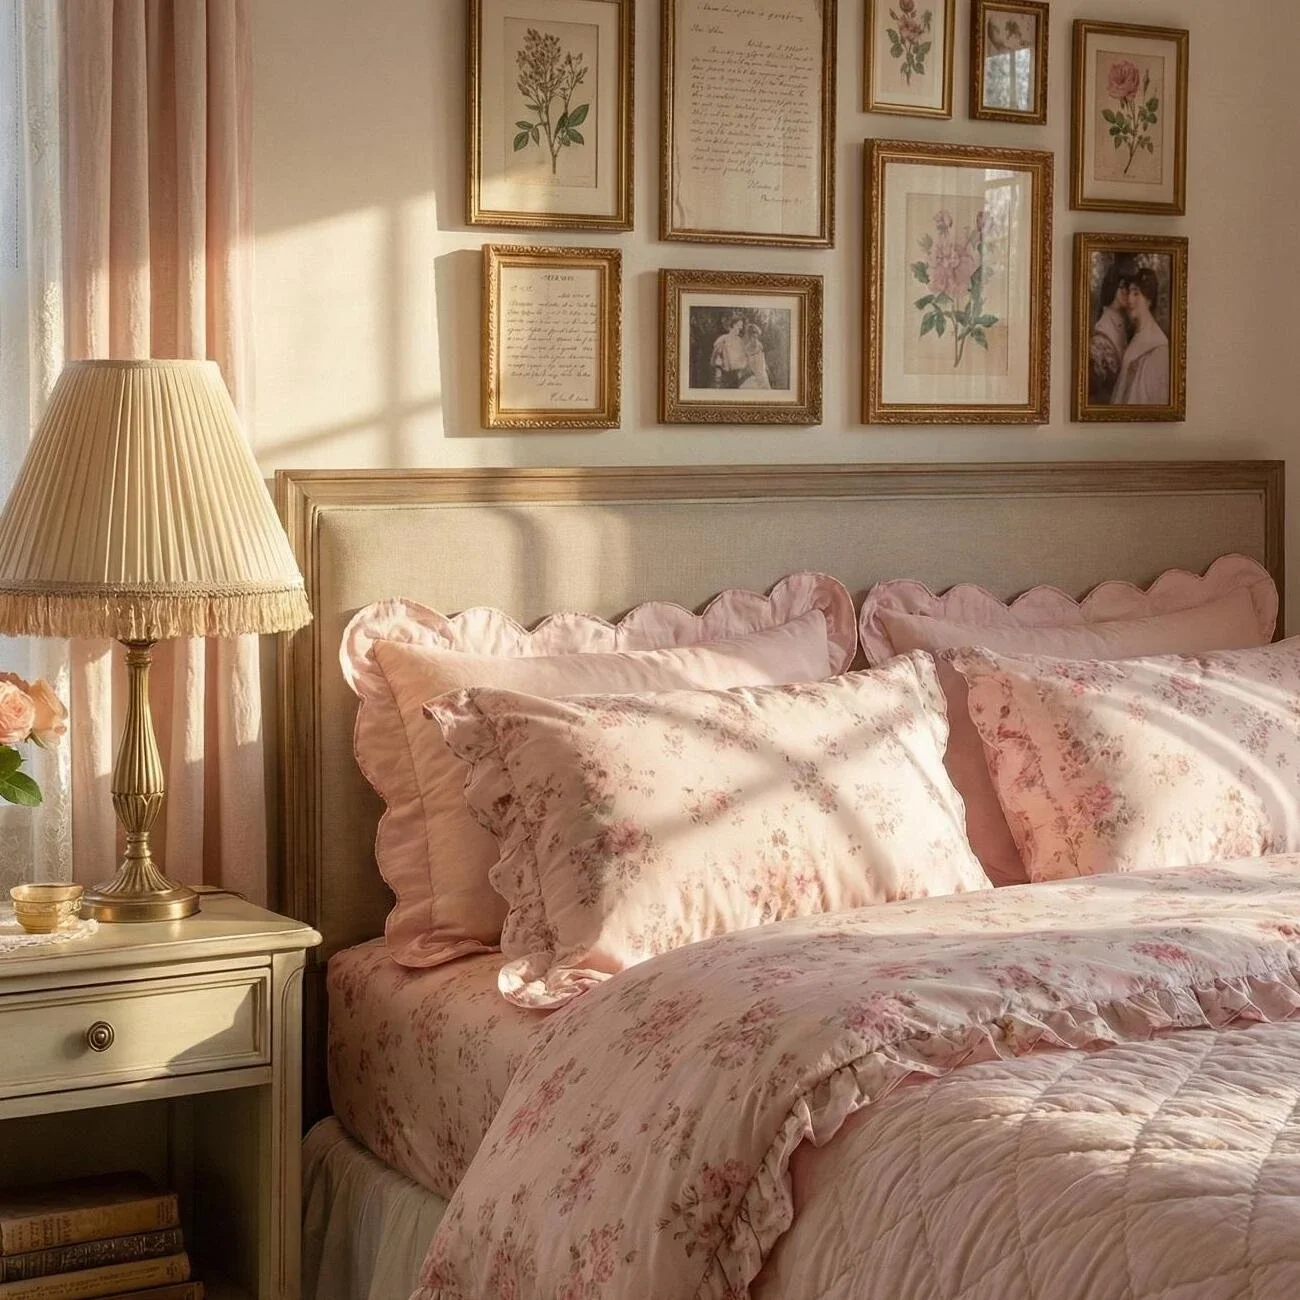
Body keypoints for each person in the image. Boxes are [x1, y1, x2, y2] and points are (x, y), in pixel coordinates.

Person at [1112, 266, 1170, 406]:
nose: (1130, 299)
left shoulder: (1158, 347)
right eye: (1129, 293)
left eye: (1136, 293)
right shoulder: (1137, 335)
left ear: (1148, 300)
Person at [1089, 263, 1131, 405]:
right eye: (1122, 287)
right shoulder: (1104, 328)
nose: (1127, 292)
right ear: (1112, 288)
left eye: (1128, 287)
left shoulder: (1125, 321)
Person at [710, 316, 750, 388]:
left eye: (741, 326)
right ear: (733, 325)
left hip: (736, 376)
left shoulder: (740, 341)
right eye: (739, 325)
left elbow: (744, 358)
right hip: (724, 376)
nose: (741, 328)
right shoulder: (723, 339)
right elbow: (714, 359)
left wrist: (742, 368)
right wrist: (718, 372)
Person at [739, 322, 771, 389]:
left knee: (763, 383)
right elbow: (747, 361)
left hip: (760, 369)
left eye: (756, 334)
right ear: (750, 335)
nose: (755, 336)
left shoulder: (759, 345)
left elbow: (762, 358)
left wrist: (765, 367)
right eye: (753, 334)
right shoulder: (747, 347)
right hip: (754, 369)